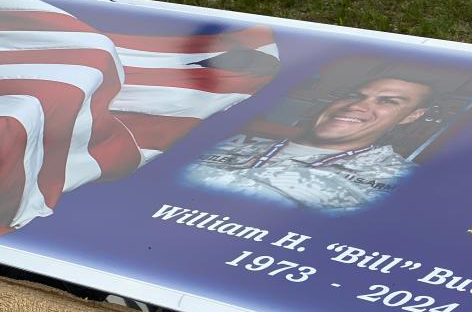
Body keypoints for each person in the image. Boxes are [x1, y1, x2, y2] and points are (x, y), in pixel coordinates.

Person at [184, 76, 432, 211]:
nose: (356, 106)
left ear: (412, 116)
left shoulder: (405, 181)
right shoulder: (231, 144)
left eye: (387, 101)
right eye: (355, 95)